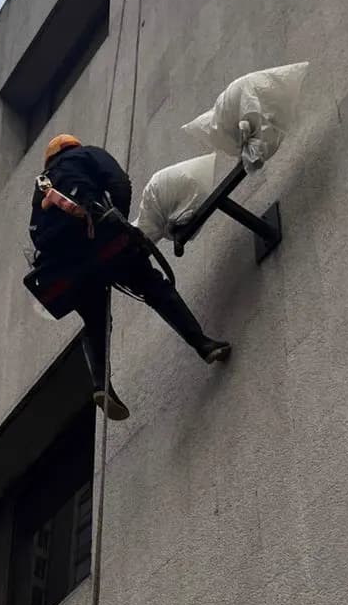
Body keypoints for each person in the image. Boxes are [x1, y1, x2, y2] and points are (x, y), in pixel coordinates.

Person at [29, 133, 231, 420]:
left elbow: (37, 236)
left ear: (49, 159)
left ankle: (101, 384)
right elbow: (119, 182)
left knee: (96, 321)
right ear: (72, 146)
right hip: (104, 241)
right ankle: (203, 344)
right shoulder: (85, 155)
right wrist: (117, 220)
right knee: (154, 288)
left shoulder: (41, 186)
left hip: (69, 265)